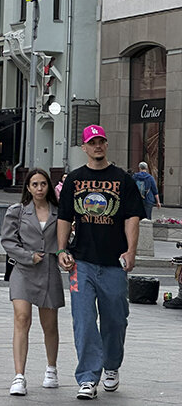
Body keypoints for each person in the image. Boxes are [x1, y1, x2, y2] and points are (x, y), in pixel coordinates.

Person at [57, 125, 143, 400]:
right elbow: (64, 218)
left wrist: (131, 250)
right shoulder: (74, 180)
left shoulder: (122, 179)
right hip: (81, 262)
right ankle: (87, 378)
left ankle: (112, 366)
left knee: (116, 320)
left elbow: (131, 217)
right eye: (92, 142)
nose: (97, 146)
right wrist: (61, 250)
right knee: (83, 320)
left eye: (101, 141)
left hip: (113, 262)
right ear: (84, 147)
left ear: (106, 145)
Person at [1, 168, 65, 396]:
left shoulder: (59, 212)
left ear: (49, 186)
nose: (39, 188)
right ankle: (19, 376)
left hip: (49, 269)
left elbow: (65, 241)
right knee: (22, 318)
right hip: (23, 269)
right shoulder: (17, 211)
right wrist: (27, 256)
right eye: (34, 184)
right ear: (27, 187)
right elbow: (8, 240)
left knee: (49, 325)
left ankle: (51, 368)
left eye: (43, 184)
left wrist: (63, 255)